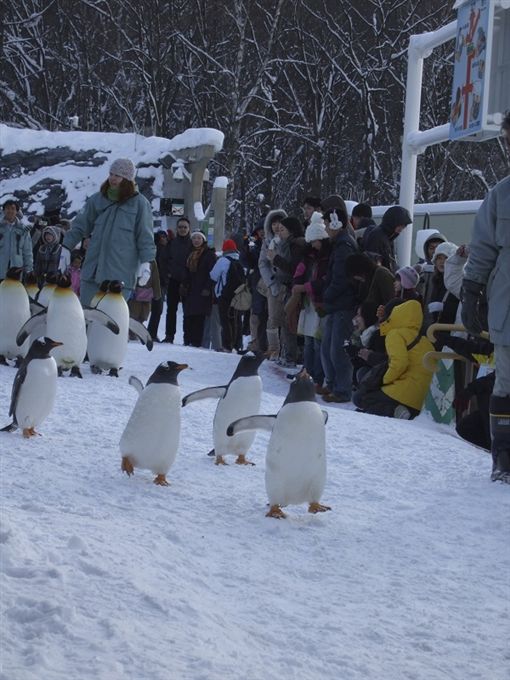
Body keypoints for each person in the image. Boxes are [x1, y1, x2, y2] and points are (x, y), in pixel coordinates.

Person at [461, 111, 510, 483]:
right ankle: (503, 462)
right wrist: (472, 289)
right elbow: (482, 251)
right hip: (508, 313)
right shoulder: (501, 195)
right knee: (506, 386)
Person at [60, 158, 155, 305]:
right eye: (111, 174)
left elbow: (145, 236)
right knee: (87, 319)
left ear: (127, 179)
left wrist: (146, 262)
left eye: (117, 175)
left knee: (111, 323)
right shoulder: (97, 200)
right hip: (92, 273)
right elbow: (80, 225)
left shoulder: (140, 204)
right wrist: (66, 247)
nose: (113, 178)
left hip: (120, 277)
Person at [353, 299, 434, 419]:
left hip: (403, 393)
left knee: (360, 398)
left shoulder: (396, 334)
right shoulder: (425, 340)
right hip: (420, 400)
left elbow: (399, 364)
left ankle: (394, 411)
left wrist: (385, 380)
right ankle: (399, 410)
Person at [320, 203, 359, 403]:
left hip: (343, 304)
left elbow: (341, 278)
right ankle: (333, 383)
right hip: (336, 304)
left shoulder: (344, 246)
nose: (326, 228)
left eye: (327, 224)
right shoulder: (339, 245)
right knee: (327, 347)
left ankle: (342, 389)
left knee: (337, 349)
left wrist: (326, 294)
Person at [258, 209, 287, 360]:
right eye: (274, 223)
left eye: (279, 223)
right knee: (273, 318)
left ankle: (285, 349)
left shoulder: (288, 241)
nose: (276, 226)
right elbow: (262, 263)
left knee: (287, 319)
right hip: (273, 284)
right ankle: (273, 348)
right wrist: (270, 282)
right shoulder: (267, 242)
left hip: (288, 283)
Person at [181, 230, 216, 347]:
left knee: (199, 317)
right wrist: (184, 284)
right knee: (188, 316)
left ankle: (197, 341)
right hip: (190, 290)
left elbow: (212, 273)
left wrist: (208, 287)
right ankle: (187, 339)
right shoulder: (189, 253)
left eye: (199, 238)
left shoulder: (209, 254)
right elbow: (186, 271)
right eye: (194, 238)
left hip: (202, 291)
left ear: (203, 240)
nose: (196, 240)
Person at [161, 217, 193, 344]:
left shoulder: (193, 244)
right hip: (173, 280)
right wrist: (167, 275)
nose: (183, 229)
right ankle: (169, 335)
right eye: (180, 227)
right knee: (171, 310)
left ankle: (187, 337)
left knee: (188, 310)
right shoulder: (172, 243)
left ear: (189, 229)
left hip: (188, 281)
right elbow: (163, 260)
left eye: (185, 227)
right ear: (177, 228)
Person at [210, 239, 245, 352]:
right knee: (237, 319)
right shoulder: (241, 259)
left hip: (225, 295)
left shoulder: (223, 260)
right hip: (239, 294)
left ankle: (227, 345)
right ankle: (238, 344)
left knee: (225, 320)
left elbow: (213, 275)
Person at [362, 205, 412, 273]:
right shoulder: (378, 236)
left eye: (404, 226)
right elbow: (375, 263)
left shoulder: (388, 237)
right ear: (393, 222)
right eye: (401, 224)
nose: (402, 228)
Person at [0, 199, 33, 281]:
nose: (10, 211)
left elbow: (27, 251)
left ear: (17, 211)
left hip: (17, 270)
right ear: (3, 211)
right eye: (7, 208)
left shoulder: (23, 230)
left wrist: (29, 269)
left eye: (13, 208)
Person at [147, 230, 169, 341]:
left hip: (162, 283)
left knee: (157, 309)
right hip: (154, 283)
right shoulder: (157, 250)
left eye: (165, 237)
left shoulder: (167, 249)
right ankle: (150, 333)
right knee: (153, 309)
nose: (164, 239)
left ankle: (151, 332)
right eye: (162, 237)